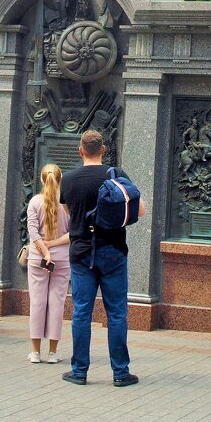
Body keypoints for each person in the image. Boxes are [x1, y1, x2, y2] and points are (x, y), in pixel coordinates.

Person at [59, 129, 145, 387]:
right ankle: (120, 372)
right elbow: (139, 212)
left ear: (80, 150)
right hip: (114, 251)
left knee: (82, 312)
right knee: (117, 313)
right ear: (104, 150)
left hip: (82, 252)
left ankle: (79, 371)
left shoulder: (69, 179)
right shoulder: (117, 176)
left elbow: (69, 212)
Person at [26, 163, 71, 364]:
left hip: (38, 259)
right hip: (62, 259)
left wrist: (45, 251)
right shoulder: (67, 203)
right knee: (56, 303)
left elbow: (33, 232)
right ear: (60, 179)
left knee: (37, 302)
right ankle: (53, 352)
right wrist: (53, 246)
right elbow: (73, 232)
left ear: (42, 179)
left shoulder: (35, 202)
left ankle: (35, 352)